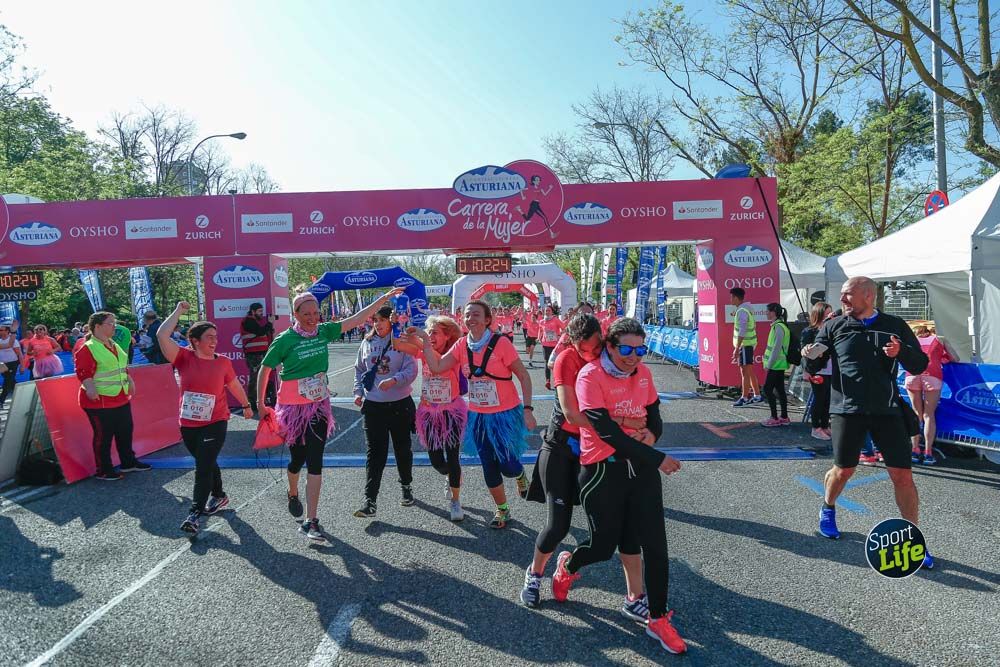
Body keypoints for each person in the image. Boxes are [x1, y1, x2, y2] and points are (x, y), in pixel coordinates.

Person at [549, 317, 687, 654]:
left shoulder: (644, 374)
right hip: (601, 470)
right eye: (625, 348)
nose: (634, 356)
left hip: (639, 469)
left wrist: (651, 436)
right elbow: (605, 431)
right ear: (609, 346)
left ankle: (657, 618)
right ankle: (568, 565)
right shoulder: (589, 375)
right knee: (602, 546)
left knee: (655, 545)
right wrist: (657, 456)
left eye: (641, 349)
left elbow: (654, 415)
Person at [521, 313, 648, 619]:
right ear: (576, 344)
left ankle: (634, 596)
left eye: (598, 348)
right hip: (562, 448)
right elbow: (572, 415)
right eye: (588, 351)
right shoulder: (566, 358)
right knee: (558, 526)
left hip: (597, 450)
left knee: (619, 528)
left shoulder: (610, 354)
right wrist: (623, 421)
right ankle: (535, 575)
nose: (595, 355)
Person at [802, 277, 935, 567]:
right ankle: (828, 507)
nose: (843, 300)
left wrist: (902, 353)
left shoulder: (894, 325)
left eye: (848, 295)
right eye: (842, 295)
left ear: (868, 295)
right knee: (844, 470)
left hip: (887, 411)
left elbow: (920, 364)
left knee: (903, 476)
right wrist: (809, 355)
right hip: (846, 410)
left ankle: (913, 539)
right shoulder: (834, 325)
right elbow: (812, 362)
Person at [257, 288, 403, 541]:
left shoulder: (324, 331)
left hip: (318, 407)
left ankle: (311, 520)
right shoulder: (284, 340)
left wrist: (384, 299)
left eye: (316, 313)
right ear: (295, 314)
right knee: (296, 460)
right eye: (306, 314)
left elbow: (357, 319)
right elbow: (265, 369)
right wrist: (259, 404)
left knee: (315, 460)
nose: (313, 318)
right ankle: (293, 492)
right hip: (292, 410)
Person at [410, 300, 535, 529]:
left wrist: (527, 409)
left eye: (476, 314)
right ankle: (502, 510)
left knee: (507, 464)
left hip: (504, 414)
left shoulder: (501, 344)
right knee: (488, 463)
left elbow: (524, 376)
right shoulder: (460, 345)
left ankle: (519, 474)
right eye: (468, 315)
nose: (471, 318)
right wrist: (426, 343)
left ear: (488, 319)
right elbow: (437, 367)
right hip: (478, 415)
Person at [157, 301, 253, 535]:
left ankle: (195, 513)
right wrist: (178, 311)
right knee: (207, 461)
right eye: (209, 336)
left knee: (202, 466)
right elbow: (161, 334)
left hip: (216, 421)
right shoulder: (183, 358)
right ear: (195, 341)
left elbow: (233, 385)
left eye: (215, 337)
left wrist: (247, 405)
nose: (214, 341)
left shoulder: (222, 362)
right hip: (188, 423)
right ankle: (219, 495)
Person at [352, 305, 419, 518]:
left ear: (391, 321)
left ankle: (406, 486)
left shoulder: (402, 342)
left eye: (382, 320)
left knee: (402, 448)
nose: (378, 324)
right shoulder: (367, 342)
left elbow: (412, 368)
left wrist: (395, 380)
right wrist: (358, 391)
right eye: (375, 320)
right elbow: (359, 369)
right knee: (375, 453)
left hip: (400, 404)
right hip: (373, 406)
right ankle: (370, 500)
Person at [74, 311, 151, 481]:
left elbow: (121, 366)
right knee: (104, 436)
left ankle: (128, 462)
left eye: (114, 323)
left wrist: (129, 380)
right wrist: (90, 388)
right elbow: (82, 371)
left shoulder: (113, 344)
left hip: (120, 397)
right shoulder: (87, 347)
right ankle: (104, 469)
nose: (114, 326)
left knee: (125, 431)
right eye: (110, 323)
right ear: (98, 326)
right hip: (99, 400)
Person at [414, 315, 467, 521]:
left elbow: (438, 363)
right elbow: (400, 343)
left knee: (452, 456)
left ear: (448, 335)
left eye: (435, 332)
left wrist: (423, 341)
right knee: (436, 460)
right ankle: (451, 475)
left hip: (451, 411)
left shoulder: (455, 353)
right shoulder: (423, 350)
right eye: (429, 332)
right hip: (429, 413)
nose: (430, 336)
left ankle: (455, 499)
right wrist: (399, 326)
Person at [905, 325, 960, 465]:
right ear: (929, 332)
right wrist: (942, 357)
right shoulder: (940, 339)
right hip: (932, 376)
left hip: (912, 375)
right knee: (929, 415)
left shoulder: (912, 339)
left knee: (916, 414)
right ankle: (928, 452)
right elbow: (955, 358)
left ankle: (915, 449)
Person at [801, 302, 833, 440]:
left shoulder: (832, 329)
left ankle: (825, 426)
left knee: (828, 400)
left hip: (832, 369)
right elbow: (803, 351)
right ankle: (816, 427)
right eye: (826, 314)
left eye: (830, 313)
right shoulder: (809, 331)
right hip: (817, 370)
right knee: (819, 399)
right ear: (819, 314)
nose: (829, 316)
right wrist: (807, 370)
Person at [240, 302, 277, 413]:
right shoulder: (248, 320)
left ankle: (262, 400)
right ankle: (253, 403)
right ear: (253, 311)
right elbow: (260, 331)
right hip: (253, 355)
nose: (262, 314)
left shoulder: (256, 321)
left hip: (260, 353)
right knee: (255, 378)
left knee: (261, 378)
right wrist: (269, 323)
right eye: (259, 311)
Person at [729, 288, 762, 406]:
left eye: (731, 297)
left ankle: (744, 397)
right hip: (749, 344)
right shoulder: (745, 309)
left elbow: (742, 330)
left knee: (745, 372)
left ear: (736, 298)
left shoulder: (742, 311)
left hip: (745, 345)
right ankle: (757, 395)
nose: (730, 299)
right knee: (749, 371)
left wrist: (737, 348)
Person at [760, 303, 791, 427]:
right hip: (780, 364)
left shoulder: (778, 327)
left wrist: (769, 364)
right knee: (780, 390)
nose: (766, 313)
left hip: (776, 365)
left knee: (767, 389)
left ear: (773, 312)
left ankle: (774, 417)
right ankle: (784, 417)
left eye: (767, 311)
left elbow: (776, 348)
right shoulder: (780, 326)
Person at [540, 304, 565, 390]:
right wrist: (539, 337)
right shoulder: (542, 321)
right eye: (546, 311)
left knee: (554, 363)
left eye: (549, 311)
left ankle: (556, 380)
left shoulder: (556, 320)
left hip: (555, 345)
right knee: (546, 362)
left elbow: (564, 328)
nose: (547, 312)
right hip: (545, 344)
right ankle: (547, 381)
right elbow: (540, 330)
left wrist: (559, 335)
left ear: (552, 312)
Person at [0, 322, 23, 409]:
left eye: (1, 330)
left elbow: (19, 354)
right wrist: (13, 332)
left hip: (12, 364)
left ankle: (1, 401)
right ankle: (23, 395)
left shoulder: (14, 341)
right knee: (11, 382)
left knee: (7, 381)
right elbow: (9, 345)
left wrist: (22, 365)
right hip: (3, 365)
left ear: (7, 331)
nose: (0, 332)